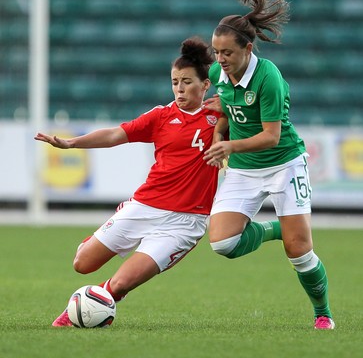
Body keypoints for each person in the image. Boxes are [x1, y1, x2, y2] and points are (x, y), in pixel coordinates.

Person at [35, 37, 280, 327]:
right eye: (175, 82)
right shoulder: (161, 116)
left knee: (122, 283)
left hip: (184, 223)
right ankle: (102, 262)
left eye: (187, 82)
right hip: (144, 206)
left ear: (205, 85)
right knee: (82, 263)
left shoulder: (221, 116)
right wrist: (71, 143)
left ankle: (87, 308)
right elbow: (116, 135)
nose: (179, 88)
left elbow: (258, 125)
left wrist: (226, 117)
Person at [203, 0, 335, 330]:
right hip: (244, 168)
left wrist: (227, 145)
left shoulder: (269, 78)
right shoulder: (218, 72)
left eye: (227, 52)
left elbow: (271, 137)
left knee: (300, 253)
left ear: (248, 49)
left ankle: (322, 313)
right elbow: (228, 110)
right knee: (223, 243)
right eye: (217, 52)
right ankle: (275, 229)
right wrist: (220, 125)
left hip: (284, 164)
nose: (220, 59)